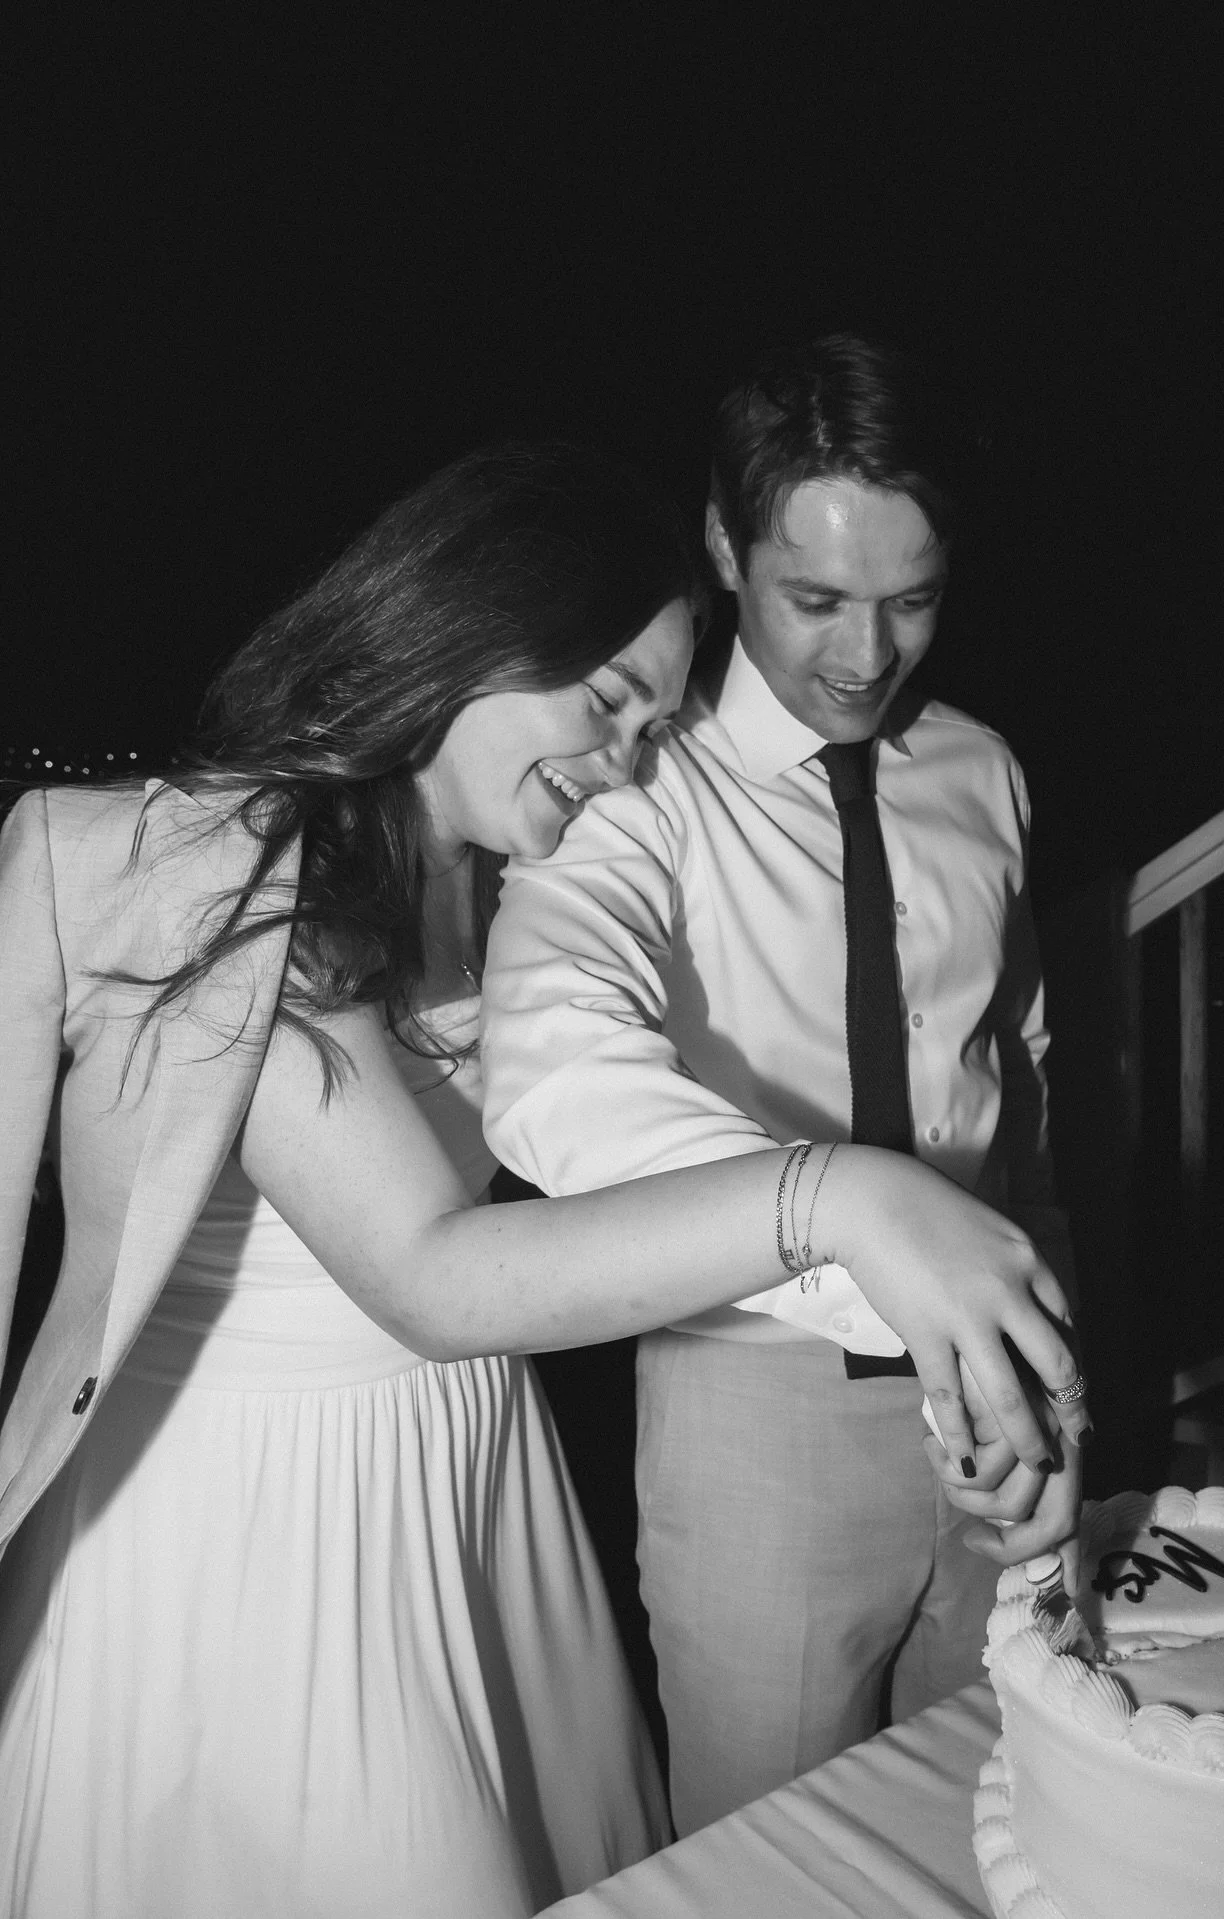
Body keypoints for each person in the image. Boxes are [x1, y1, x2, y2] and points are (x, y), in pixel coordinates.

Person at [0, 440, 1085, 1918]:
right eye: (611, 704)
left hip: (466, 1460)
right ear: (465, 634)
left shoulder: (483, 864)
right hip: (259, 1502)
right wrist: (838, 1196)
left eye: (654, 719)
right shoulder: (229, 863)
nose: (633, 755)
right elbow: (436, 1273)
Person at [479, 338, 1087, 1834]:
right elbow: (551, 1065)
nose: (869, 654)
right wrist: (858, 1230)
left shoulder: (986, 772)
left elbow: (1019, 1076)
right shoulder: (632, 779)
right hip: (754, 1400)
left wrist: (1055, 1351)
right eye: (817, 598)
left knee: (1000, 1815)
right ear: (721, 546)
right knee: (772, 1856)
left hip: (1011, 1397)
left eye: (914, 599)